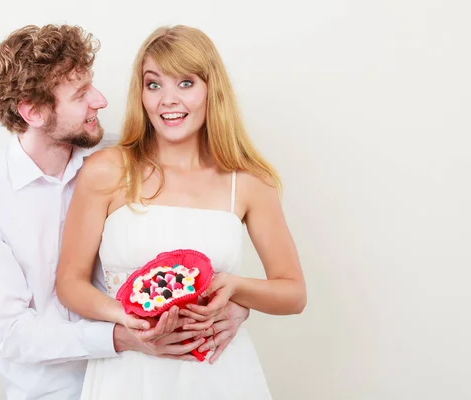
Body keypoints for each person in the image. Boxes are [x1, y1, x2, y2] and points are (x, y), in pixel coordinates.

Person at [0, 24, 250, 400]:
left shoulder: (123, 161)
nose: (101, 100)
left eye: (92, 85)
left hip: (147, 381)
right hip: (55, 392)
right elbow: (12, 334)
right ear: (33, 112)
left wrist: (235, 308)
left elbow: (187, 249)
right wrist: (124, 339)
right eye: (80, 94)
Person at [55, 25, 307, 399]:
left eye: (185, 83)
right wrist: (127, 320)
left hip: (220, 374)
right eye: (154, 84)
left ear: (211, 90)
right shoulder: (107, 170)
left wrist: (236, 290)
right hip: (130, 376)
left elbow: (293, 293)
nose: (167, 100)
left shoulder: (249, 182)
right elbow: (69, 282)